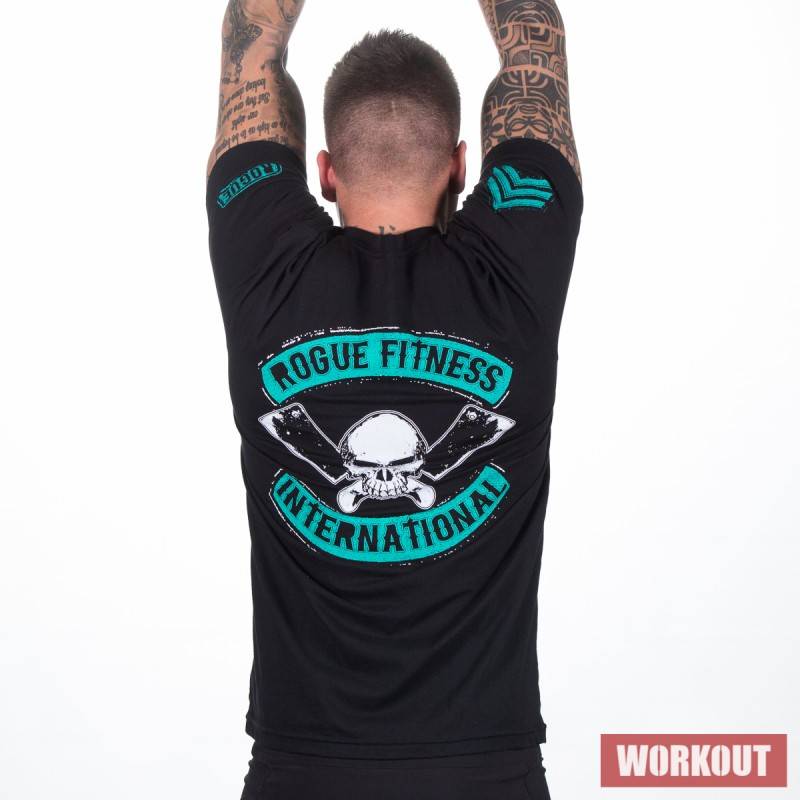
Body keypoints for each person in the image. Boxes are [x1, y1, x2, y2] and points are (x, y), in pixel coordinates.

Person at [206, 0, 582, 797]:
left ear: (323, 172)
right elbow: (533, 51)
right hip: (489, 774)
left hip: (298, 775)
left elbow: (254, 43)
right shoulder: (515, 277)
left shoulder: (265, 273)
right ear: (461, 164)